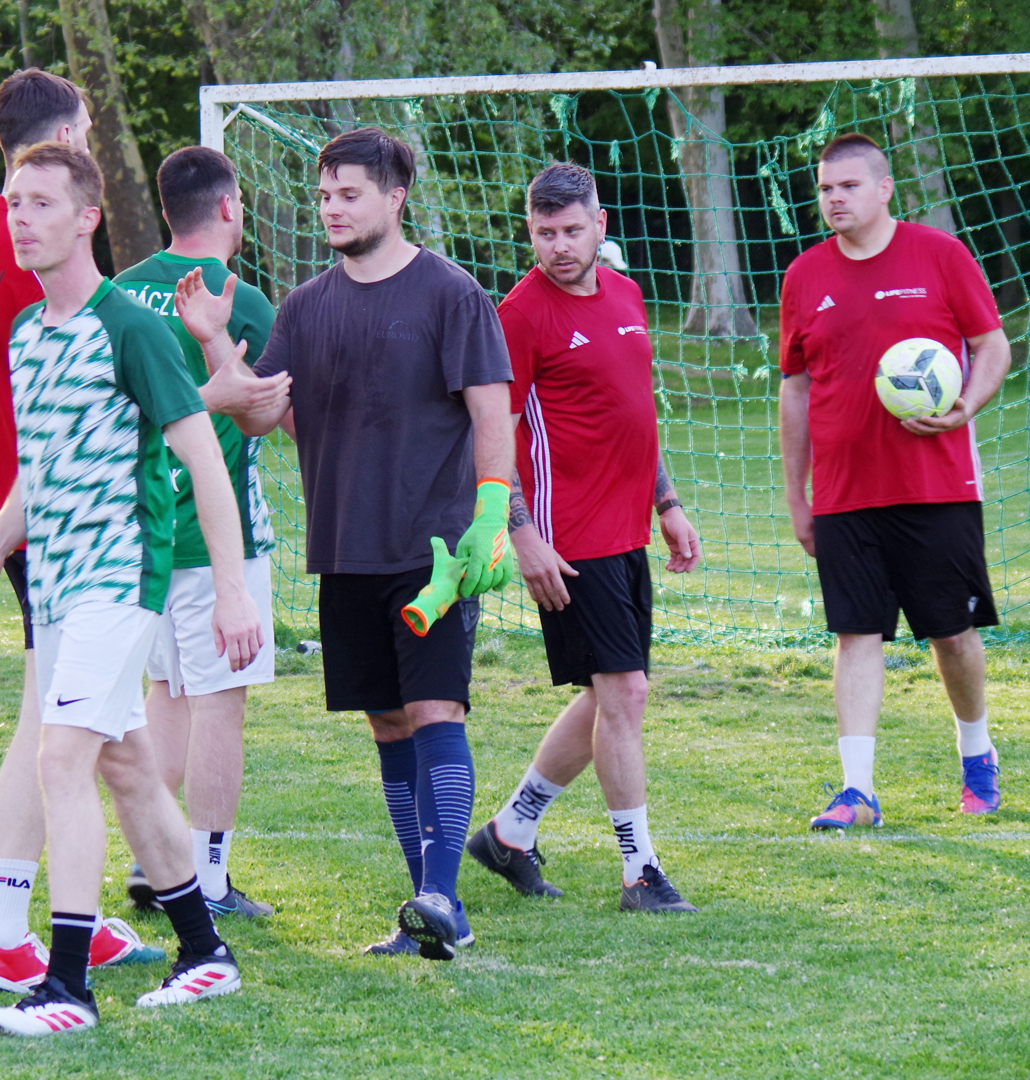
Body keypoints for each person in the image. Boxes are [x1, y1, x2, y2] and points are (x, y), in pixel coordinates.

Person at [176, 127, 515, 960]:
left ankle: (443, 897)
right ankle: (428, 904)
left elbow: (491, 409)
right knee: (388, 724)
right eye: (325, 195)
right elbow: (261, 411)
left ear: (395, 198)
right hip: (344, 549)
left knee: (436, 710)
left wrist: (491, 514)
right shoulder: (304, 306)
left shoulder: (451, 293)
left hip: (433, 554)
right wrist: (213, 338)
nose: (332, 208)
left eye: (349, 194)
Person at [0, 143, 261, 1035]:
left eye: (41, 203)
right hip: (56, 586)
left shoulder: (130, 327)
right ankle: (205, 953)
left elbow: (204, 459)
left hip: (120, 581)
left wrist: (233, 591)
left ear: (88, 218)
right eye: (14, 202)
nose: (21, 219)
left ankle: (66, 989)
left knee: (61, 759)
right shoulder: (26, 334)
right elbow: (41, 465)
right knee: (125, 765)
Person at [0, 68, 152, 992]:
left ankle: (83, 916)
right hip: (57, 523)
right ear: (60, 138)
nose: (90, 143)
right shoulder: (33, 246)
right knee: (48, 729)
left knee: (104, 736)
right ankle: (1, 930)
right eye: (86, 130)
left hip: (20, 515)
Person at [465, 162, 702, 912]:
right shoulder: (519, 315)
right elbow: (492, 434)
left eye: (572, 230)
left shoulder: (626, 295)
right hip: (569, 538)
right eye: (545, 233)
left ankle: (510, 832)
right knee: (623, 691)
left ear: (600, 225)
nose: (559, 246)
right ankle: (640, 871)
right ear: (530, 232)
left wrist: (666, 501)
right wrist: (523, 537)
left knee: (611, 693)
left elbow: (634, 411)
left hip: (626, 529)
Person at [777, 133, 1011, 831]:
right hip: (845, 493)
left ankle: (977, 754)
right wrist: (797, 495)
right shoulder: (804, 276)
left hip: (937, 488)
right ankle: (857, 792)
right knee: (856, 635)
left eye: (848, 186)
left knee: (952, 634)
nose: (834, 199)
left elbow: (992, 345)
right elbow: (795, 390)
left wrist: (966, 405)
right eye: (825, 188)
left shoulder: (939, 255)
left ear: (884, 189)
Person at [113, 145, 291, 919]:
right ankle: (209, 881)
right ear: (228, 207)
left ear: (164, 210)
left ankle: (154, 862)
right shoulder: (237, 299)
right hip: (216, 537)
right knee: (221, 701)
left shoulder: (118, 292)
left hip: (139, 531)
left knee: (168, 692)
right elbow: (267, 411)